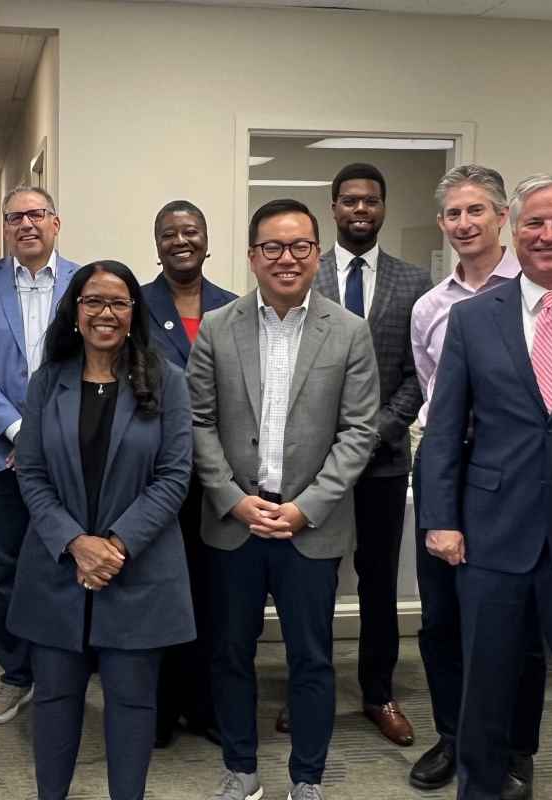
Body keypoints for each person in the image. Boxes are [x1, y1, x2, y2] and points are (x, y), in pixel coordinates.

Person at [419, 173, 552, 800]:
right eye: (535, 223)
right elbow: (443, 429)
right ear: (515, 230)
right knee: (485, 686)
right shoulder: (472, 318)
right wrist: (440, 518)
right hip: (490, 537)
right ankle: (481, 789)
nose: (548, 235)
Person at [188, 198, 380, 800]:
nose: (287, 258)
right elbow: (197, 422)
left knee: (312, 660)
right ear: (251, 257)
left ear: (316, 254)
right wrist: (233, 499)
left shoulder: (348, 331)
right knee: (230, 653)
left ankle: (307, 778)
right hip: (235, 523)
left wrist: (307, 506)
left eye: (300, 246)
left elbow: (359, 431)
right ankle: (241, 769)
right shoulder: (218, 327)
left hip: (310, 526)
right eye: (272, 247)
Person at [10, 259, 195, 800]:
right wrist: (75, 543)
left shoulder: (168, 382)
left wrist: (115, 546)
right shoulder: (47, 382)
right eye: (93, 302)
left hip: (138, 568)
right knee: (54, 701)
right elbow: (34, 472)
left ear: (134, 312)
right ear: (75, 312)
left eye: (117, 302)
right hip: (56, 565)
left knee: (134, 704)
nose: (105, 313)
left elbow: (174, 474)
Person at [406, 165, 545, 797]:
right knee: (441, 619)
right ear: (442, 224)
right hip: (445, 466)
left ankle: (515, 748)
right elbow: (437, 396)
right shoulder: (430, 307)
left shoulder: (535, 292)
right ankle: (455, 736)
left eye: (477, 211)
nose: (465, 224)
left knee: (515, 618)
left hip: (512, 473)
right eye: (453, 214)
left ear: (502, 219)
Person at [281, 162, 426, 746]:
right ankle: (307, 689)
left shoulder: (414, 283)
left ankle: (378, 692)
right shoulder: (301, 276)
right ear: (333, 208)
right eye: (349, 201)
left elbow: (419, 375)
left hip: (384, 464)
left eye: (370, 201)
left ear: (383, 208)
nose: (360, 210)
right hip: (313, 468)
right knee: (310, 581)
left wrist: (370, 434)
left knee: (378, 582)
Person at [0, 184, 81, 725]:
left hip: (70, 454)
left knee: (68, 560)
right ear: (5, 228)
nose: (26, 225)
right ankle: (16, 674)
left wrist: (50, 435)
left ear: (56, 222)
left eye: (36, 215)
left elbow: (95, 362)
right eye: (15, 218)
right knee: (5, 568)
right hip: (0, 456)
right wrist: (16, 429)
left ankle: (66, 668)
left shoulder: (84, 281)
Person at [140, 200, 235, 748]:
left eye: (190, 231)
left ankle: (204, 705)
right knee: (162, 592)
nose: (181, 240)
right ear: (157, 245)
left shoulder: (233, 305)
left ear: (206, 239)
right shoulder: (138, 304)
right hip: (159, 473)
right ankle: (160, 707)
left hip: (220, 477)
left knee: (212, 596)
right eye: (169, 233)